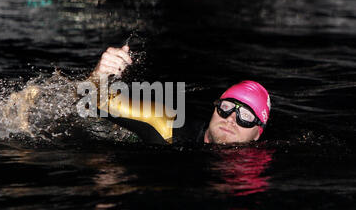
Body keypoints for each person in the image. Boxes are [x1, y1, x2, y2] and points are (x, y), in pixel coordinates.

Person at [88, 45, 271, 145]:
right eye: (226, 107)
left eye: (245, 116)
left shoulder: (256, 169)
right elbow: (90, 99)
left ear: (258, 133)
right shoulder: (167, 125)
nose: (231, 118)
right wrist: (100, 74)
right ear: (215, 108)